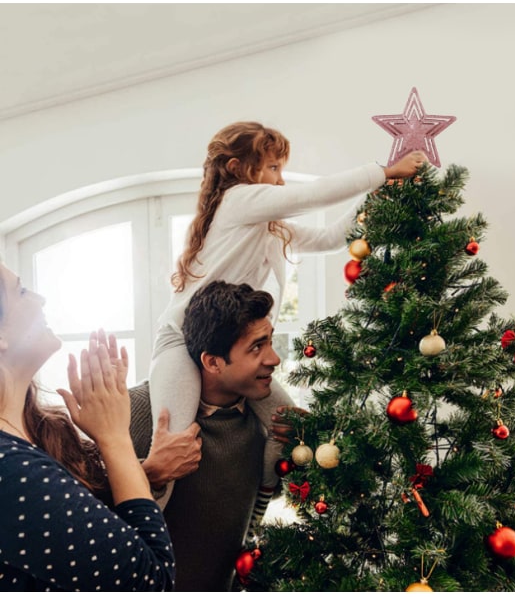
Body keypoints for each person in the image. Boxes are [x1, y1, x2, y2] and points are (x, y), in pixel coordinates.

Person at [149, 120, 427, 514]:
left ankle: (259, 508)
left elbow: (331, 238)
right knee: (172, 443)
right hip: (183, 340)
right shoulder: (239, 201)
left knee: (289, 427)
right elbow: (312, 195)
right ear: (236, 170)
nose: (279, 181)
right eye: (273, 168)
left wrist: (378, 195)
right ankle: (146, 532)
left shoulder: (270, 226)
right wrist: (382, 170)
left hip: (231, 344)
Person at [0, 263, 175, 591]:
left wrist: (145, 470)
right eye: (21, 291)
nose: (40, 298)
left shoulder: (36, 427)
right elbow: (153, 582)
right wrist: (115, 437)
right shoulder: (9, 468)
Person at [160, 280, 282, 591]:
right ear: (213, 362)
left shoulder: (262, 427)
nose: (274, 359)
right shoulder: (145, 413)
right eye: (257, 346)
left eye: (270, 342)